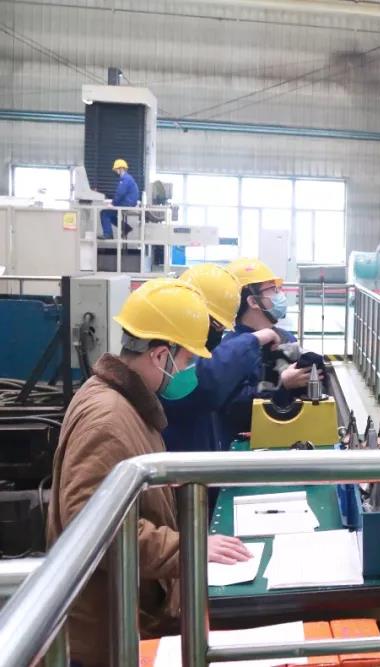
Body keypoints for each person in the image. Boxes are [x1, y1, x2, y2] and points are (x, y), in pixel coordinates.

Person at [47, 278, 252, 667]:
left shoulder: (127, 405)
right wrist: (187, 548)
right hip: (107, 633)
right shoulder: (108, 418)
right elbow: (90, 526)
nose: (189, 371)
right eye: (187, 362)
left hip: (130, 610)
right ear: (160, 355)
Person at [161, 264, 282, 453]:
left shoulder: (195, 355)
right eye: (217, 325)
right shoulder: (170, 365)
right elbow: (208, 380)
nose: (219, 332)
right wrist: (253, 341)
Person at [217, 258, 316, 447]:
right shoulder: (232, 351)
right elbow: (235, 408)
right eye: (273, 289)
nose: (280, 295)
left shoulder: (286, 337)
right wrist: (282, 384)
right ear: (253, 301)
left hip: (287, 440)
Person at [100, 158, 140, 239]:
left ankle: (108, 234)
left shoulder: (126, 179)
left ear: (121, 169)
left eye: (116, 169)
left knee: (104, 213)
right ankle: (126, 228)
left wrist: (113, 204)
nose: (115, 171)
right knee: (110, 215)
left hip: (127, 203)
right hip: (128, 202)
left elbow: (120, 193)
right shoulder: (127, 178)